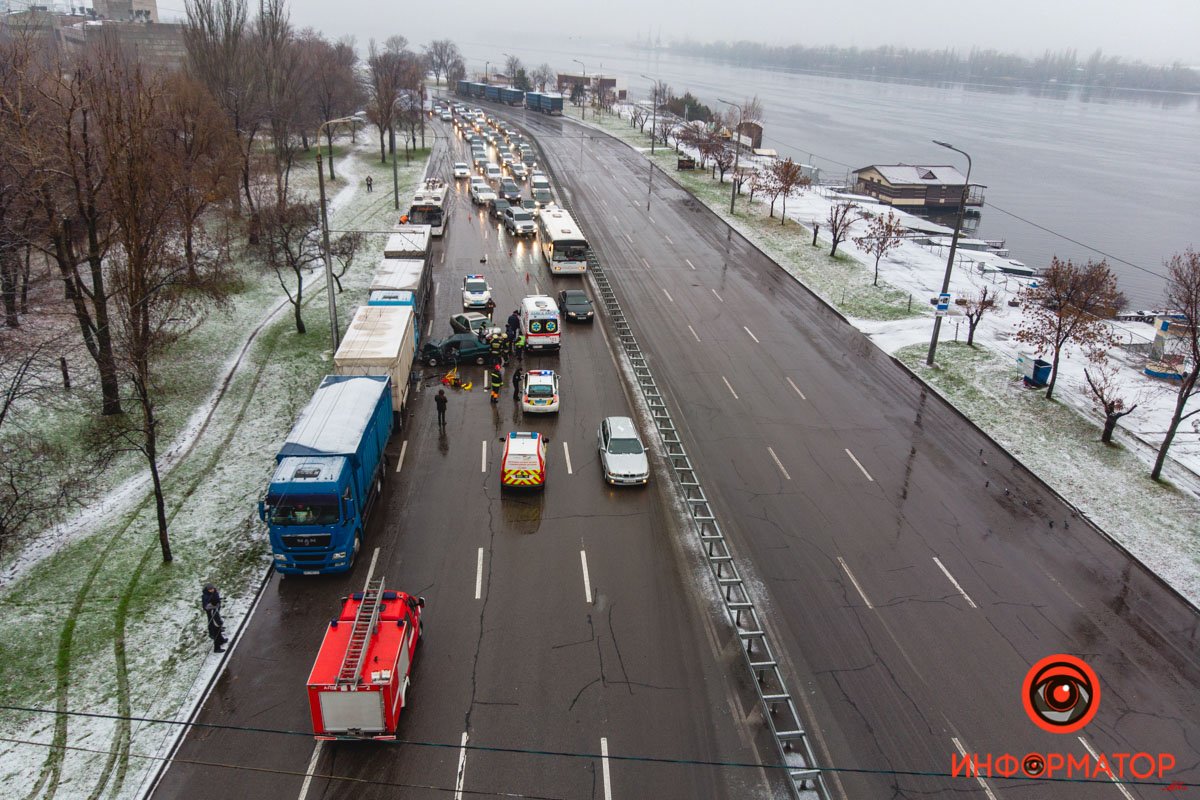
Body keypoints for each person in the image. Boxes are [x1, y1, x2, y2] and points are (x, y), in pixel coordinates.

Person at [202, 583, 228, 653]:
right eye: (210, 589)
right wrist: (214, 606)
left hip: (215, 612)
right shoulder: (205, 596)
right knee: (216, 629)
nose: (212, 590)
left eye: (212, 589)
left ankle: (221, 640)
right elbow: (205, 607)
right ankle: (217, 648)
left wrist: (217, 605)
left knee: (218, 628)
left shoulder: (215, 593)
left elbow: (217, 601)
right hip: (212, 614)